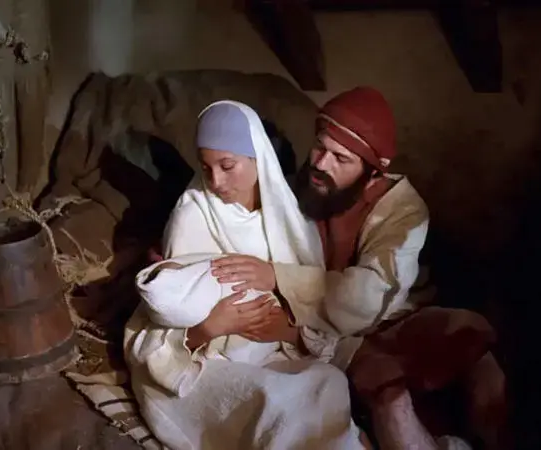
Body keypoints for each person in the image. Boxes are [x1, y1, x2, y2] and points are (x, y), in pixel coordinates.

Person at [211, 87, 510, 450]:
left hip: (385, 315)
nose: (322, 164)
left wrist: (278, 276)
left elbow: (369, 297)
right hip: (323, 330)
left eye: (341, 158)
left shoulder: (403, 210)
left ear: (372, 174)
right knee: (388, 390)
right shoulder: (296, 189)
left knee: (475, 344)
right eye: (320, 147)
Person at [126, 100, 369, 450]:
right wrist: (210, 328)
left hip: (273, 350)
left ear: (258, 158)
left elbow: (315, 299)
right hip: (207, 362)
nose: (216, 181)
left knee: (327, 383)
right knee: (276, 401)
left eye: (227, 166)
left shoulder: (287, 216)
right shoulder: (193, 215)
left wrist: (288, 330)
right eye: (206, 167)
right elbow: (169, 307)